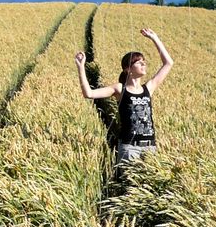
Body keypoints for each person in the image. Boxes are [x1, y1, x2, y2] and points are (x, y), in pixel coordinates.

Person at [74, 28, 173, 171]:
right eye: (139, 62)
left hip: (150, 147)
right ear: (128, 69)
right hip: (129, 148)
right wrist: (81, 67)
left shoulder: (148, 88)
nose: (144, 64)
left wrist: (154, 38)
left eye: (144, 61)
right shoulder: (120, 89)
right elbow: (88, 93)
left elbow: (168, 63)